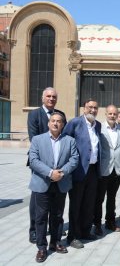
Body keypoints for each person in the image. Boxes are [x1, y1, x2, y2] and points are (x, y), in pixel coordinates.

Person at [29, 112, 78, 262]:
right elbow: (33, 160)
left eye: (59, 121)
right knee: (41, 217)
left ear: (63, 124)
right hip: (42, 183)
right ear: (49, 123)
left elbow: (74, 159)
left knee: (57, 215)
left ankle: (55, 243)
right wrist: (50, 173)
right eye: (53, 121)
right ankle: (41, 248)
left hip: (61, 183)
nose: (56, 123)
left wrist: (61, 173)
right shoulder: (37, 139)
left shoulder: (70, 140)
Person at [27, 87, 66, 244]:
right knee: (38, 198)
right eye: (48, 96)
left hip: (58, 165)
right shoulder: (34, 114)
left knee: (55, 197)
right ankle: (34, 230)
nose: (51, 99)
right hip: (40, 164)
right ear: (43, 98)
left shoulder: (60, 115)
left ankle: (52, 228)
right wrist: (48, 169)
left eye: (54, 97)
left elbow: (65, 136)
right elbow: (33, 137)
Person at [63, 99, 101, 249]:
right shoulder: (75, 123)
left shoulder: (97, 125)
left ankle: (85, 231)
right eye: (90, 107)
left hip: (93, 170)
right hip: (78, 170)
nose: (92, 110)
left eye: (95, 108)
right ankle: (73, 236)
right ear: (84, 108)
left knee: (89, 203)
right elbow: (65, 142)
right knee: (76, 204)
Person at [93, 105, 120, 236]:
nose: (112, 116)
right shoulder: (99, 129)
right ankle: (97, 224)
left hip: (116, 169)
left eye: (114, 114)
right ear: (106, 114)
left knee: (112, 198)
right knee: (99, 199)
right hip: (103, 169)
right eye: (110, 114)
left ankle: (110, 221)